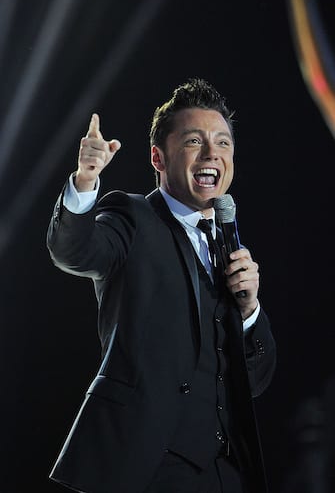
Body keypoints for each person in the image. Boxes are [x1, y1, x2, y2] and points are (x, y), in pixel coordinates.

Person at [47, 78, 276, 493]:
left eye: (223, 143)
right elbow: (75, 251)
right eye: (194, 141)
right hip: (146, 465)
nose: (212, 154)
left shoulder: (228, 242)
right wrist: (85, 180)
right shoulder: (131, 216)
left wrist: (249, 311)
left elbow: (254, 380)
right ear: (158, 156)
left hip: (226, 473)